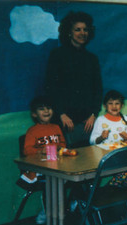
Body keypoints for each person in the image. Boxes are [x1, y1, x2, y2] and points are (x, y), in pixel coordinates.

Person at [45, 11, 103, 148]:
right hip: (64, 119)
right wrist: (61, 114)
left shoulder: (92, 58)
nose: (82, 33)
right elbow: (50, 87)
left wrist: (93, 114)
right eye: (77, 29)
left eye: (85, 30)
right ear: (69, 32)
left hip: (87, 120)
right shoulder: (57, 55)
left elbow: (98, 88)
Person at [21, 96, 66, 224]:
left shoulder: (56, 127)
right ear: (34, 114)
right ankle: (47, 211)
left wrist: (60, 147)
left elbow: (63, 142)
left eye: (49, 108)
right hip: (41, 167)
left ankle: (66, 207)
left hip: (58, 164)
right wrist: (40, 151)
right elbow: (27, 150)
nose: (46, 111)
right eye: (42, 109)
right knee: (51, 181)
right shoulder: (33, 131)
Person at [89, 90, 127, 188]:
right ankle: (114, 187)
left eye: (117, 103)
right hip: (105, 156)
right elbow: (92, 141)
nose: (114, 106)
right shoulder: (101, 120)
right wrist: (101, 137)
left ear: (122, 105)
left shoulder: (125, 119)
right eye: (110, 103)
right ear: (104, 106)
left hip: (121, 155)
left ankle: (114, 187)